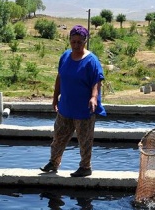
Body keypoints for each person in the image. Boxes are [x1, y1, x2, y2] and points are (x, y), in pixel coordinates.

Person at [40, 25, 106, 177]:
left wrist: (94, 97)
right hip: (66, 107)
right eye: (73, 42)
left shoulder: (91, 61)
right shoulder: (65, 57)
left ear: (85, 41)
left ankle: (85, 167)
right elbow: (60, 77)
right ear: (69, 41)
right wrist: (55, 96)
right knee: (58, 136)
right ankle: (53, 162)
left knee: (85, 140)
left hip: (84, 109)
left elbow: (97, 81)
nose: (76, 45)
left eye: (79, 42)